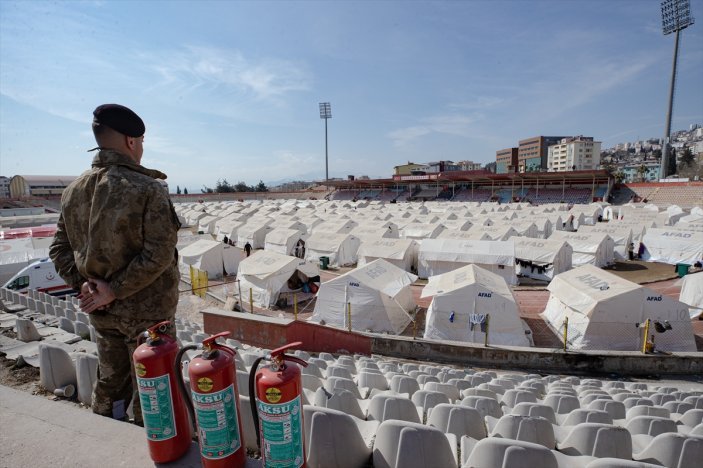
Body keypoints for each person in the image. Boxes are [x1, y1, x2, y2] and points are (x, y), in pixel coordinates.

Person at [50, 104, 181, 425]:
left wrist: (85, 286)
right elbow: (159, 254)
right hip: (148, 316)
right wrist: (115, 290)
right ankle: (151, 446)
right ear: (132, 142)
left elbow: (59, 249)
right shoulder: (148, 188)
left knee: (110, 381)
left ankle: (106, 435)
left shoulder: (73, 191)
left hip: (101, 312)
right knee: (153, 386)